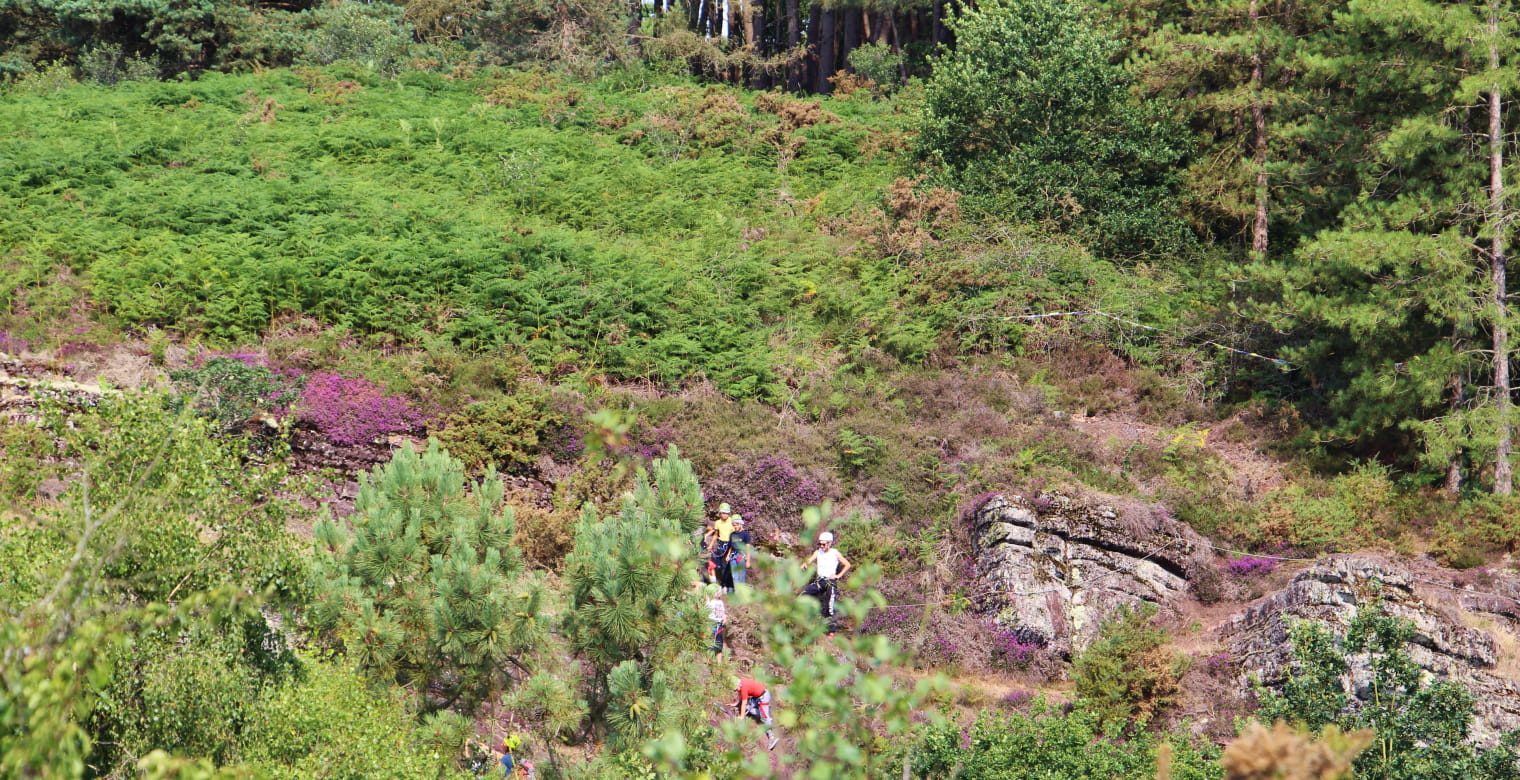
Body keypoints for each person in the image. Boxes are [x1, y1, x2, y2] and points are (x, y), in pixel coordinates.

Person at [800, 530, 852, 633]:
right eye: (819, 543)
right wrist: (805, 564)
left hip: (830, 581)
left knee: (830, 606)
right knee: (804, 594)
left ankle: (831, 631)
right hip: (820, 580)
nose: (821, 546)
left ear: (829, 543)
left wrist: (838, 576)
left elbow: (847, 564)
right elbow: (809, 560)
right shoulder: (818, 552)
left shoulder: (835, 553)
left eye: (823, 544)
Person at [733, 676, 780, 751]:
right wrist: (736, 703)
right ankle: (764, 713)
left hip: (763, 697)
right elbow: (740, 694)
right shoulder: (741, 682)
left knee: (763, 717)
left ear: (738, 685)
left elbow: (744, 702)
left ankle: (771, 738)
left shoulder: (743, 687)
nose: (735, 691)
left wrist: (741, 716)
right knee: (749, 710)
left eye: (735, 689)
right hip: (756, 697)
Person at [706, 503, 737, 592]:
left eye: (726, 513)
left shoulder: (732, 522)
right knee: (720, 566)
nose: (725, 515)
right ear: (720, 513)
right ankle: (723, 585)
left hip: (730, 544)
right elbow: (716, 534)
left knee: (729, 565)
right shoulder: (718, 523)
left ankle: (730, 586)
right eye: (723, 513)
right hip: (721, 544)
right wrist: (711, 544)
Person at [728, 514, 751, 590]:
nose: (735, 526)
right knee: (734, 576)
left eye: (737, 524)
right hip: (733, 557)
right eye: (734, 525)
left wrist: (748, 561)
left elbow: (748, 548)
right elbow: (731, 546)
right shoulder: (732, 534)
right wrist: (728, 555)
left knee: (741, 576)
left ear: (741, 524)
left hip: (741, 556)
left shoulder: (745, 534)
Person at [706, 583, 727, 660]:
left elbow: (723, 613)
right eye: (719, 591)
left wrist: (724, 617)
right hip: (715, 625)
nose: (721, 593)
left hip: (717, 624)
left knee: (716, 644)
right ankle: (711, 661)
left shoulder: (717, 602)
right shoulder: (713, 603)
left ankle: (716, 663)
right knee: (715, 644)